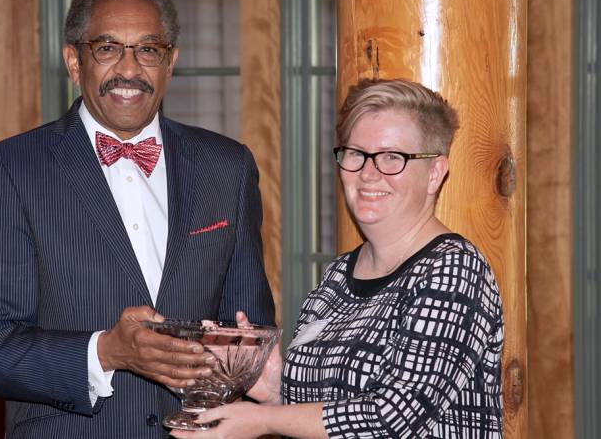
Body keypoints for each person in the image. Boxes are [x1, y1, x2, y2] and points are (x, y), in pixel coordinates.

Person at [0, 0, 275, 438]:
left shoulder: (228, 166)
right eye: (107, 48)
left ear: (171, 62)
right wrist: (105, 352)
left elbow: (250, 328)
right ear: (73, 60)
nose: (130, 69)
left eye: (149, 50)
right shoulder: (11, 169)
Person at [172, 79, 504, 439]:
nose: (368, 172)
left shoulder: (454, 270)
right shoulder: (337, 275)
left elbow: (393, 418)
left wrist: (263, 421)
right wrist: (270, 386)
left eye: (392, 157)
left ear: (435, 173)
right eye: (356, 154)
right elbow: (331, 408)